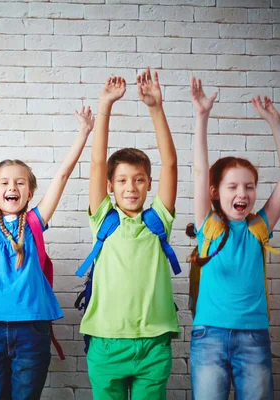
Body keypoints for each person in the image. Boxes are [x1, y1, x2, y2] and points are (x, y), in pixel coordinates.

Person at [0, 83, 93, 399]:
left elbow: (62, 176)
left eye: (20, 182)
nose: (13, 187)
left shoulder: (34, 223)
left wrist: (83, 135)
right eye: (5, 183)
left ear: (30, 192)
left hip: (33, 328)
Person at [188, 76, 280, 400]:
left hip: (254, 338)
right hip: (209, 336)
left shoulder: (258, 227)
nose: (243, 193)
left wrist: (276, 123)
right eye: (233, 187)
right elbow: (199, 169)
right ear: (215, 193)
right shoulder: (208, 226)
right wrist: (201, 116)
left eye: (249, 187)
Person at [82, 69, 180, 400]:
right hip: (106, 344)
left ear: (149, 184)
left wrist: (155, 108)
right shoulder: (103, 220)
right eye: (122, 180)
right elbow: (97, 163)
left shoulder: (159, 221)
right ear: (110, 187)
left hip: (153, 345)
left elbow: (170, 164)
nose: (131, 187)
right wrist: (105, 105)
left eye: (138, 179)